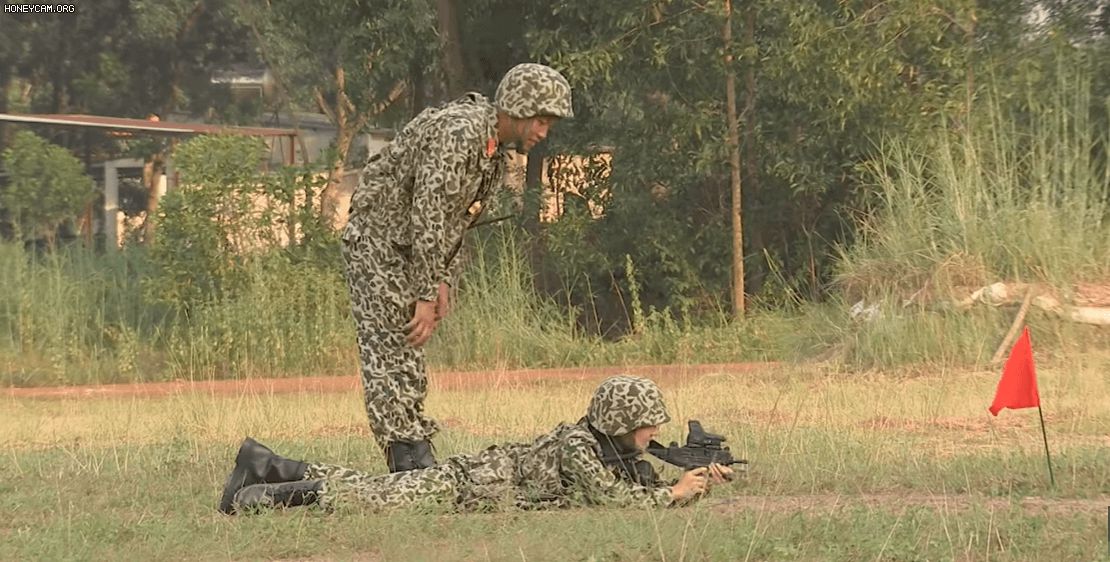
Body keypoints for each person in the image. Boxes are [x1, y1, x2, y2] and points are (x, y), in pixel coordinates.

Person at [341, 63, 574, 472]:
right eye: (540, 121)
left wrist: (442, 279)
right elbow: (428, 214)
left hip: (410, 249)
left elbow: (454, 220)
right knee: (388, 351)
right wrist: (426, 293)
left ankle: (414, 451)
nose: (543, 133)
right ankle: (406, 460)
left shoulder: (491, 151)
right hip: (379, 243)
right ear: (518, 108)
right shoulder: (460, 133)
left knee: (408, 350)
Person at [218, 375, 735, 515]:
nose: (650, 436)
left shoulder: (606, 446)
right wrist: (673, 494)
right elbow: (612, 500)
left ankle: (264, 463)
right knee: (368, 497)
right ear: (619, 419)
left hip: (471, 486)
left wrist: (691, 483)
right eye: (644, 424)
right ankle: (254, 498)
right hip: (464, 487)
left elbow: (629, 484)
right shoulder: (582, 446)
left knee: (367, 487)